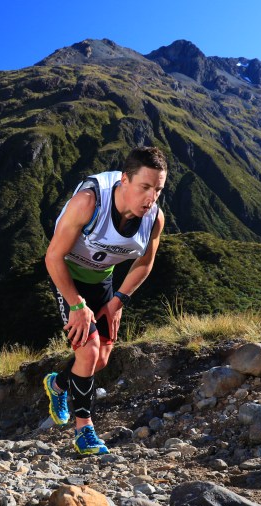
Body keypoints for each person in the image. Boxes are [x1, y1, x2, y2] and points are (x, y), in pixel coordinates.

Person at [43, 146, 167, 455]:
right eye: (145, 187)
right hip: (68, 276)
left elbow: (145, 262)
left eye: (158, 189)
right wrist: (76, 305)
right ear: (124, 180)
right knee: (89, 351)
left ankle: (57, 384)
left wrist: (118, 301)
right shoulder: (88, 203)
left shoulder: (154, 219)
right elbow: (53, 256)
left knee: (100, 359)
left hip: (103, 280)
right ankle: (84, 431)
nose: (151, 197)